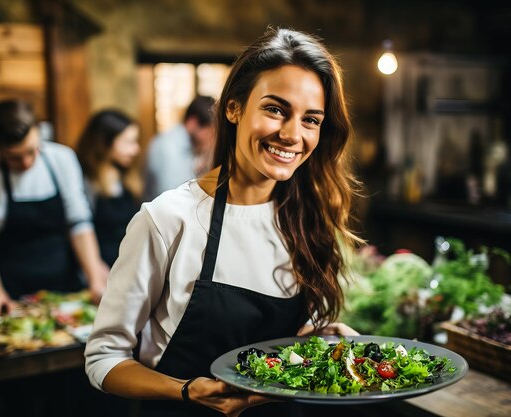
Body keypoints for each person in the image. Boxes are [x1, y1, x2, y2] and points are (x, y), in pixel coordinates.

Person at [85, 27, 361, 417]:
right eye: (275, 109)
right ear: (233, 108)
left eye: (311, 119)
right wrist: (184, 391)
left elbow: (277, 352)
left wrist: (320, 338)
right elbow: (104, 360)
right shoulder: (167, 219)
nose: (291, 134)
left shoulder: (307, 216)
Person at [0, 99, 108, 315]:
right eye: (15, 157)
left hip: (66, 286)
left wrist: (95, 279)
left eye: (32, 151)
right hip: (12, 292)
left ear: (39, 132)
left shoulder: (62, 159)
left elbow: (79, 223)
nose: (26, 163)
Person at [76, 110, 142, 267]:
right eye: (128, 142)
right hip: (100, 273)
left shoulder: (127, 178)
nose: (136, 150)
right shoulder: (84, 181)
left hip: (127, 266)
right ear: (104, 143)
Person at [143, 95, 216, 201]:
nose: (211, 138)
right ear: (192, 123)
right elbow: (170, 198)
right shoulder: (167, 147)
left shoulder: (192, 146)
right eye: (210, 132)